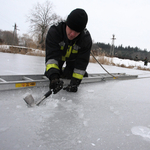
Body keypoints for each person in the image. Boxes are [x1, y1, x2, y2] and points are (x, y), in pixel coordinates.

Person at [45, 8, 92, 94]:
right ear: (67, 23)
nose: (72, 34)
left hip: (73, 60)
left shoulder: (85, 39)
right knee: (51, 73)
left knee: (69, 76)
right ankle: (59, 72)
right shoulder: (55, 31)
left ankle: (68, 71)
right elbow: (51, 58)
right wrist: (54, 78)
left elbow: (81, 62)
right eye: (71, 29)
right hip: (58, 57)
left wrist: (75, 83)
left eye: (77, 31)